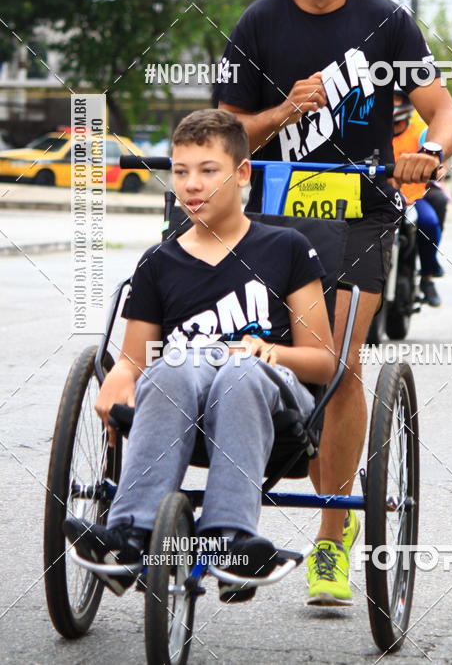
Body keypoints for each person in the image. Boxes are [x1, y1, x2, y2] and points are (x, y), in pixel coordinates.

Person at [215, 0, 452, 604]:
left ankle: (332, 539)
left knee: (341, 363)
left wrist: (427, 154)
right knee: (241, 348)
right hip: (264, 216)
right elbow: (224, 136)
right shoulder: (259, 24)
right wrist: (286, 111)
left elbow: (445, 113)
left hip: (358, 214)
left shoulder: (386, 23)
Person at [63, 109, 335, 602]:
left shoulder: (286, 248)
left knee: (237, 371)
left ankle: (229, 539)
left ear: (242, 173)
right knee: (172, 365)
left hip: (268, 400)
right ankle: (129, 535)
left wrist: (268, 351)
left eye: (208, 170)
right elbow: (132, 359)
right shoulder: (158, 262)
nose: (191, 185)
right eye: (181, 171)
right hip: (178, 399)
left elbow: (322, 361)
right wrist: (117, 380)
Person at [391, 92, 451, 307]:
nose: (393, 103)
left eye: (397, 98)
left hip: (414, 198)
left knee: (429, 221)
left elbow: (439, 154)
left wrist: (438, 167)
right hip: (376, 195)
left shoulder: (421, 130)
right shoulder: (369, 125)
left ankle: (427, 276)